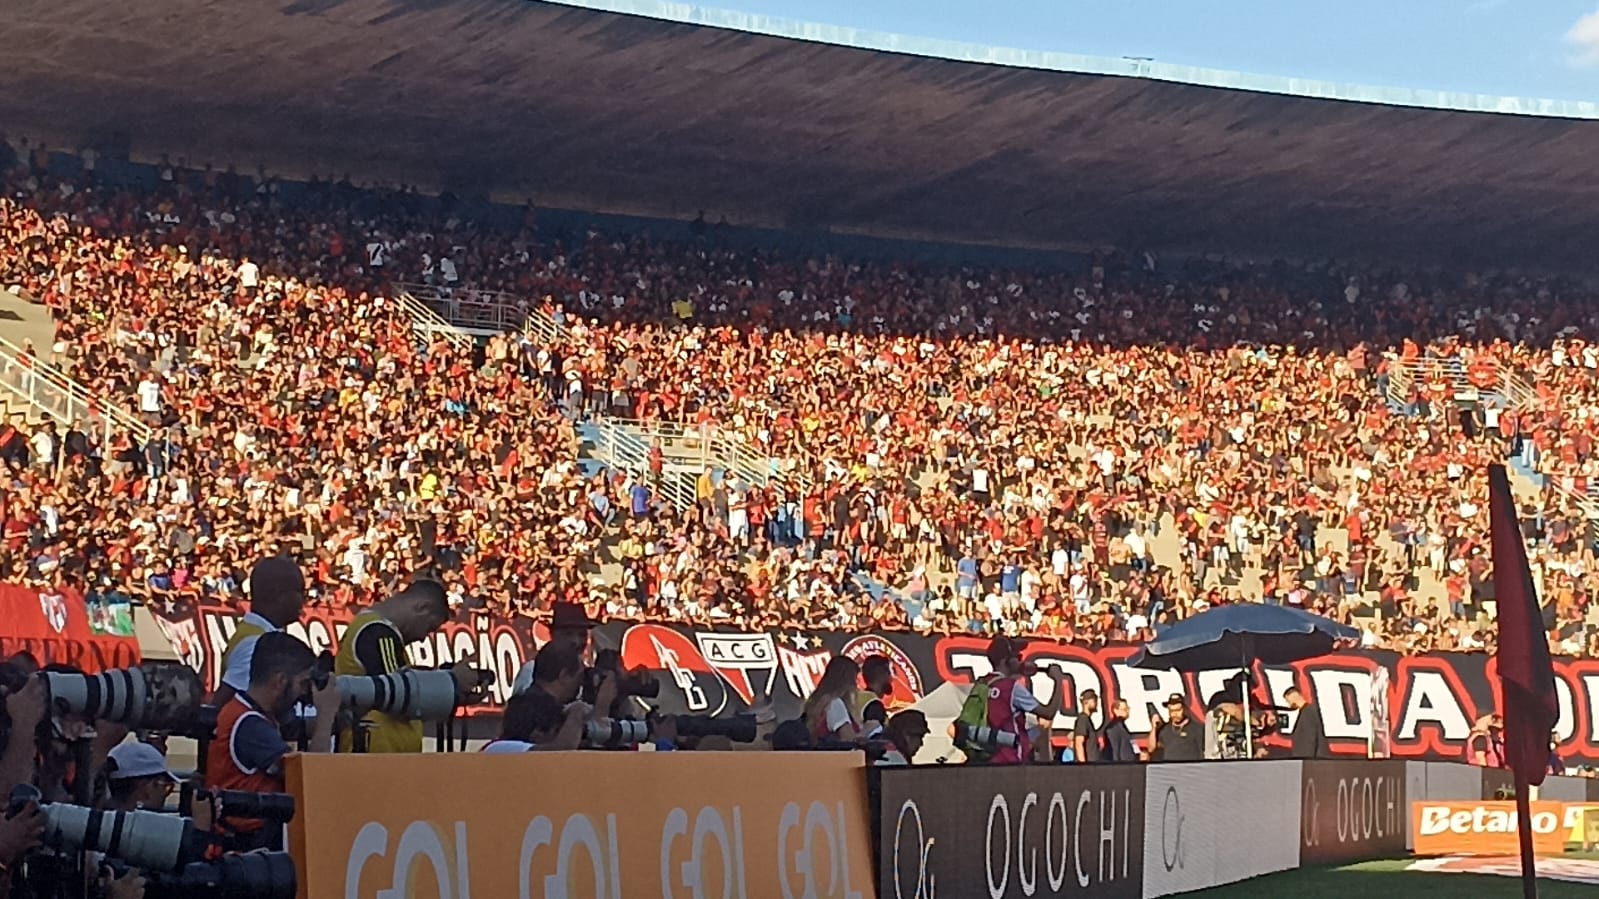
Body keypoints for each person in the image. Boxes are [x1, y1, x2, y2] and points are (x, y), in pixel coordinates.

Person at [206, 632, 338, 849]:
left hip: (251, 844)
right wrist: (327, 714)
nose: (305, 693)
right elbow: (312, 774)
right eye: (303, 684)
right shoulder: (250, 725)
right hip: (246, 849)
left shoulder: (249, 712)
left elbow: (298, 727)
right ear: (280, 681)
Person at [334, 579, 464, 753]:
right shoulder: (378, 632)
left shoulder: (374, 629)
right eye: (430, 627)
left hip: (384, 755)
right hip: (378, 754)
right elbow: (401, 693)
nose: (423, 637)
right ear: (422, 607)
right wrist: (451, 681)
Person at [213, 556, 308, 707]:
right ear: (277, 595)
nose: (304, 599)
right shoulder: (254, 644)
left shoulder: (257, 634)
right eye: (299, 591)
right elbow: (223, 704)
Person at [984, 636, 1069, 765]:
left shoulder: (982, 684)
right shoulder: (1012, 687)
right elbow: (1048, 712)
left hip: (987, 760)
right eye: (1017, 658)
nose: (1021, 661)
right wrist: (1058, 680)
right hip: (1011, 760)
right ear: (1005, 661)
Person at [510, 602, 598, 697]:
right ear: (553, 634)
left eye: (582, 635)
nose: (576, 641)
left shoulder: (588, 676)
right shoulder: (530, 670)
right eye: (568, 634)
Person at [482, 690, 587, 753]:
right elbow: (563, 749)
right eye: (557, 731)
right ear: (538, 733)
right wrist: (577, 712)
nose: (560, 735)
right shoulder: (499, 749)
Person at [803, 656, 863, 743]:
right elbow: (849, 738)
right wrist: (868, 730)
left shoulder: (820, 701)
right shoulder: (835, 704)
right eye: (854, 679)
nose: (856, 685)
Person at [1149, 693, 1204, 761]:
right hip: (1169, 769)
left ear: (1184, 709)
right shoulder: (1165, 729)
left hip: (1189, 769)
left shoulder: (1196, 728)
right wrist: (1154, 728)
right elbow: (1151, 749)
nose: (1174, 714)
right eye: (1171, 711)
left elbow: (1203, 753)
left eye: (1178, 710)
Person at [1285, 686, 1332, 759]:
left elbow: (1310, 738)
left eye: (1288, 700)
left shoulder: (1308, 712)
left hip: (1308, 759)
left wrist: (1307, 759)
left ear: (1293, 696)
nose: (1288, 704)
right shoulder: (1305, 711)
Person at [1072, 690, 1105, 764]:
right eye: (1094, 700)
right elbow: (1079, 742)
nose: (1096, 703)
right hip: (1088, 766)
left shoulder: (1087, 719)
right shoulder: (1082, 719)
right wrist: (1083, 765)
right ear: (1086, 702)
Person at [1100, 698, 1138, 762]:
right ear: (1115, 711)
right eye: (1125, 709)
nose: (1128, 711)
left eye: (1128, 708)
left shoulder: (1122, 726)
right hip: (1122, 766)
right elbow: (1114, 750)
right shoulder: (1113, 728)